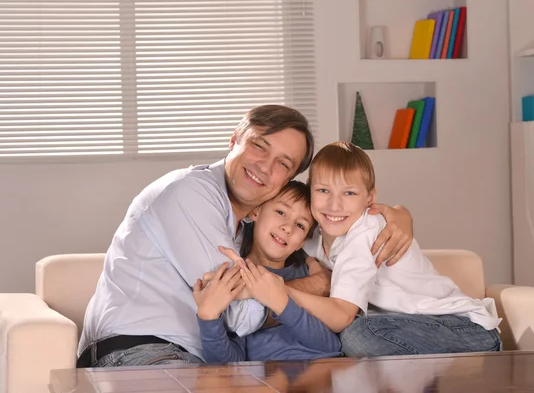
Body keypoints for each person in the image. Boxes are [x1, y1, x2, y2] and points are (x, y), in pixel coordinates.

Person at [77, 105, 413, 367]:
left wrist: (398, 215)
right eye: (259, 146)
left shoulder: (252, 226)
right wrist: (318, 284)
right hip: (137, 352)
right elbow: (241, 315)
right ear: (234, 138)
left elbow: (330, 222)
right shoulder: (191, 194)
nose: (265, 166)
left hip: (196, 360)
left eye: (283, 163)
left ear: (288, 181)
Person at [288, 141, 502, 357]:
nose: (334, 205)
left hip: (462, 328)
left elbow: (342, 315)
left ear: (370, 198)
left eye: (349, 193)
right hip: (400, 326)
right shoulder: (313, 235)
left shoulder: (368, 229)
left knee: (356, 335)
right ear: (310, 190)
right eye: (323, 190)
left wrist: (280, 292)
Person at [194, 181, 342, 362]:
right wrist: (208, 317)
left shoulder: (312, 276)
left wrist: (282, 303)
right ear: (256, 211)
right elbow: (227, 364)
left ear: (302, 242)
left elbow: (332, 346)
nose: (288, 227)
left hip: (324, 370)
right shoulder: (234, 279)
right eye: (281, 212)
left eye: (301, 225)